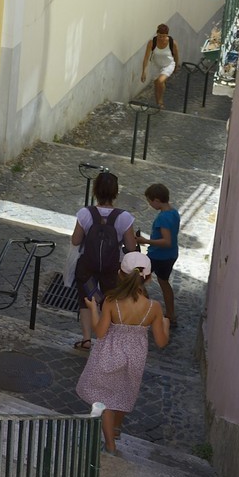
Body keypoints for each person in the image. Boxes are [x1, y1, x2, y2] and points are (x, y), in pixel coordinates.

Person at [76, 252, 169, 454]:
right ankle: (117, 429)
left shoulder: (111, 301)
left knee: (106, 400)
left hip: (109, 355)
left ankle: (110, 444)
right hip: (134, 358)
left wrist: (93, 309)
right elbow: (161, 342)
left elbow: (100, 333)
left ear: (120, 274)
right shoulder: (153, 307)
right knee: (123, 393)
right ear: (149, 278)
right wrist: (166, 324)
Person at [71, 171, 139, 349]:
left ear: (95, 191)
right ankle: (106, 340)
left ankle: (86, 339)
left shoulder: (85, 214)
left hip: (87, 265)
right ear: (115, 193)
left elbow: (75, 240)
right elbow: (131, 248)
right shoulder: (124, 218)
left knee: (85, 300)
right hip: (112, 267)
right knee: (112, 300)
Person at [137, 183, 180, 325]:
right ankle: (171, 315)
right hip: (170, 255)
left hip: (157, 256)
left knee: (137, 281)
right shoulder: (173, 213)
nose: (149, 204)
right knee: (164, 282)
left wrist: (146, 241)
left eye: (150, 201)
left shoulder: (163, 218)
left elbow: (166, 241)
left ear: (156, 200)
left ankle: (148, 311)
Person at [139, 23, 180, 107]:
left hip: (168, 65)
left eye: (163, 36)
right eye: (159, 36)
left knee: (160, 81)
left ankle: (161, 101)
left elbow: (176, 55)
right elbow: (146, 58)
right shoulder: (152, 42)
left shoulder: (172, 43)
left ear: (167, 35)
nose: (161, 38)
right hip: (156, 65)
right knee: (157, 84)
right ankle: (158, 103)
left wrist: (176, 66)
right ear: (157, 34)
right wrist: (144, 71)